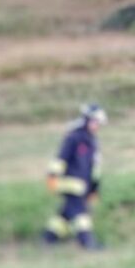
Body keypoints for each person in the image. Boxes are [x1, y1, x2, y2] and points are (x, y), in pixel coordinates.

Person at [43, 104, 107, 250]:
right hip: (70, 184)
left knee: (64, 216)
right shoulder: (74, 137)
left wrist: (94, 189)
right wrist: (52, 177)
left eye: (99, 123)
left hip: (83, 186)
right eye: (95, 122)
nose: (97, 126)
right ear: (87, 120)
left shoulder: (92, 141)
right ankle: (87, 243)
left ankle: (48, 239)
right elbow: (60, 159)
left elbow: (94, 169)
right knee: (81, 213)